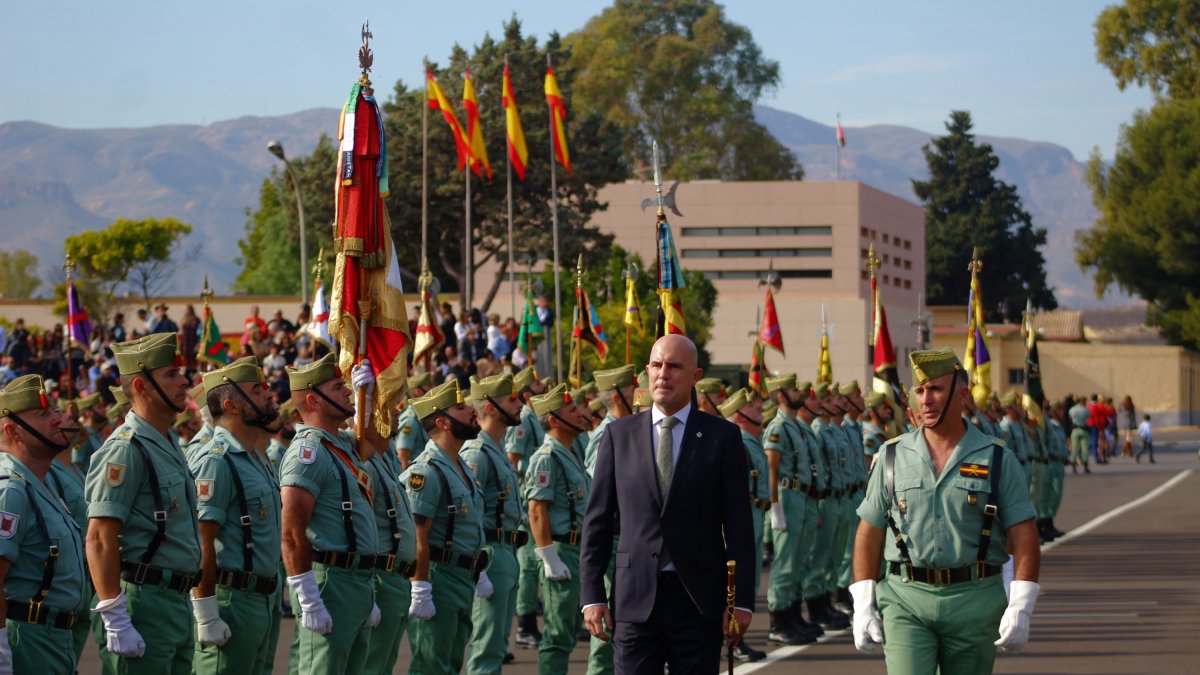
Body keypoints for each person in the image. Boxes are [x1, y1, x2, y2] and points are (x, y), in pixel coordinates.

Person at [850, 348, 1041, 674]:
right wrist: (863, 600)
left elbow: (1024, 537)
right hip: (905, 597)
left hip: (974, 598)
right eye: (920, 391)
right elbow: (869, 532)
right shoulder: (892, 456)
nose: (926, 399)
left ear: (962, 394)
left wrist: (1022, 604)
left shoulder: (996, 459)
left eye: (936, 389)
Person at [581, 334, 755, 674]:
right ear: (647, 370)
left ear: (695, 376)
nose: (663, 374)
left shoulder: (723, 438)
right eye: (657, 365)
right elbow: (597, 521)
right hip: (634, 599)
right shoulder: (619, 435)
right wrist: (592, 595)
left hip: (699, 599)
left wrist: (742, 602)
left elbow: (738, 525)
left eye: (674, 366)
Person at [84, 333, 201, 674]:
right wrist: (115, 615)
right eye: (170, 374)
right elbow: (100, 538)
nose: (184, 381)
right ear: (142, 385)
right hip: (142, 601)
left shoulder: (166, 442)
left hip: (174, 600)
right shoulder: (125, 449)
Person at [278, 354, 379, 675]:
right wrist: (308, 597)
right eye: (338, 387)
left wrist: (370, 403)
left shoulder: (341, 444)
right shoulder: (308, 453)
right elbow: (293, 532)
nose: (348, 391)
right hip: (330, 583)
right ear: (313, 400)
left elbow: (378, 442)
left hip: (355, 580)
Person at [187, 357, 284, 674]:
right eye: (256, 391)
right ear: (232, 406)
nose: (267, 396)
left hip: (260, 599)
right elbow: (202, 541)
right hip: (232, 601)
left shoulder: (254, 457)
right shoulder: (217, 460)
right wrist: (206, 613)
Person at [0, 375, 89, 675]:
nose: (58, 418)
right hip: (28, 639)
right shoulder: (10, 490)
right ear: (13, 430)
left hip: (54, 638)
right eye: (43, 414)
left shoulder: (43, 481)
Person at [399, 380, 488, 675]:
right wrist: (420, 586)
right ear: (442, 422)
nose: (473, 412)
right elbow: (417, 538)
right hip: (438, 577)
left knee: (449, 664)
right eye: (461, 408)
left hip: (461, 576)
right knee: (431, 665)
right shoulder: (426, 471)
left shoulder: (458, 465)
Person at [524, 383, 592, 674]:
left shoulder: (568, 453)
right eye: (572, 410)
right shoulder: (547, 457)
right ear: (553, 420)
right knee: (558, 634)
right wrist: (549, 557)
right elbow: (537, 509)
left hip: (577, 549)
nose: (580, 414)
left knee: (567, 629)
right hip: (562, 549)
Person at [461, 374, 527, 674]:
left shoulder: (495, 449)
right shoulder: (477, 452)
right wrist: (478, 567)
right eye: (511, 399)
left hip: (507, 550)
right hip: (489, 553)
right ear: (488, 407)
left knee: (498, 645)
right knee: (486, 647)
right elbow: (470, 514)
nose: (519, 404)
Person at [580, 364, 637, 674]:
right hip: (613, 539)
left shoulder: (630, 429)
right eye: (632, 389)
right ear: (618, 395)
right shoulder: (607, 435)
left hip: (627, 540)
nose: (639, 393)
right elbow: (598, 500)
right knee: (606, 633)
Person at [760, 374, 822, 645]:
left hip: (803, 497)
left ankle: (794, 616)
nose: (801, 393)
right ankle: (779, 621)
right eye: (794, 389)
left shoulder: (795, 426)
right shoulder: (777, 427)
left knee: (799, 560)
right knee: (785, 562)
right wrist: (774, 508)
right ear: (781, 396)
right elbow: (771, 468)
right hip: (786, 496)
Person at [717, 387, 770, 663]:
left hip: (756, 513)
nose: (759, 408)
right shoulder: (737, 442)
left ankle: (739, 636)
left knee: (750, 579)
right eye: (752, 407)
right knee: (733, 582)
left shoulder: (751, 441)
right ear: (738, 415)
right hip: (743, 514)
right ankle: (732, 637)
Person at [505, 367, 549, 649]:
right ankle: (525, 625)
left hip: (533, 494)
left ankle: (529, 622)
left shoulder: (533, 416)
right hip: (527, 499)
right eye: (536, 385)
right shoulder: (522, 418)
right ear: (526, 393)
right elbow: (513, 458)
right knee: (528, 567)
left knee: (533, 566)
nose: (542, 388)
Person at [390, 371, 431, 471]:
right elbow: (403, 455)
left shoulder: (419, 416)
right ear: (417, 392)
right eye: (428, 388)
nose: (431, 392)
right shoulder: (410, 419)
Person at [1067, 397, 1091, 474]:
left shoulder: (1072, 409)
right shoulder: (1085, 409)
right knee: (1085, 449)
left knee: (1075, 448)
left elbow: (1069, 417)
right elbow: (1089, 416)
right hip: (1084, 429)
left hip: (1074, 430)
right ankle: (1085, 466)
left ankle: (1073, 465)